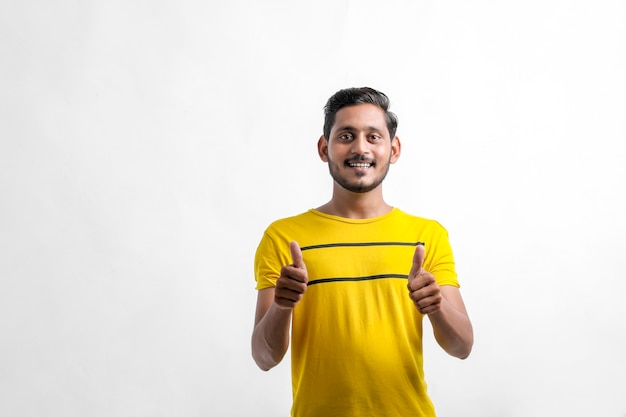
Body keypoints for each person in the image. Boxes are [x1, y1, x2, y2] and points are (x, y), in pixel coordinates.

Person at [251, 87, 473, 417]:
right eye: (345, 136)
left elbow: (462, 347)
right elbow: (264, 358)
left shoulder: (427, 236)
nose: (360, 147)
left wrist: (436, 307)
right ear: (324, 148)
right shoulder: (284, 237)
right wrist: (282, 306)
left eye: (373, 137)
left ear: (393, 149)